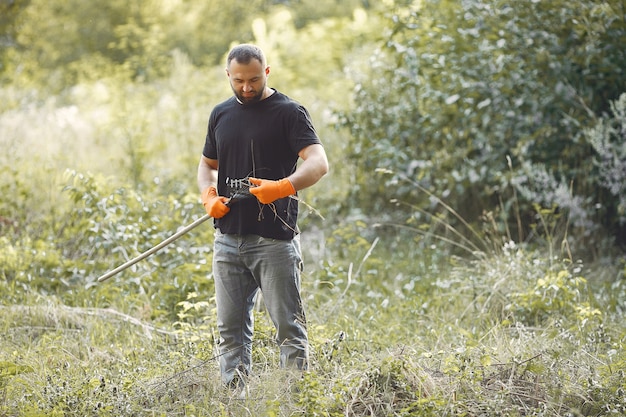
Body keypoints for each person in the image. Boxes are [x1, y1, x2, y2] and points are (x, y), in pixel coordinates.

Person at [197, 43, 329, 388]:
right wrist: (208, 195)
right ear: (228, 75)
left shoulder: (289, 112)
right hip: (227, 240)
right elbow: (208, 166)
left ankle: (297, 399)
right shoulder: (220, 114)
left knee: (288, 326)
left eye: (254, 79)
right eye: (238, 80)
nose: (246, 87)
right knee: (230, 331)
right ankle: (235, 400)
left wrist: (282, 187)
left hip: (273, 240)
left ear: (266, 72)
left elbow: (318, 164)